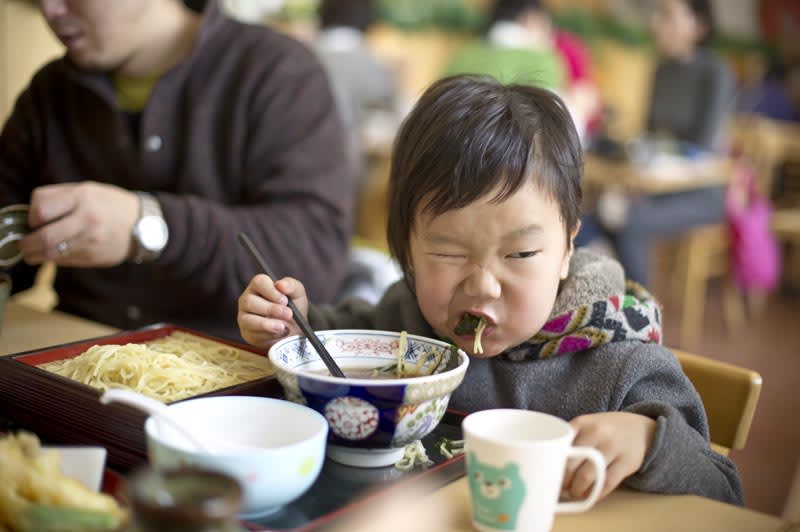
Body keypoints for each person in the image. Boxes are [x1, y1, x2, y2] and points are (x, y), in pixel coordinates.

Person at [237, 74, 743, 505]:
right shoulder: (405, 321)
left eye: (520, 254)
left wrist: (649, 441)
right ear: (407, 248)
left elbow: (725, 490)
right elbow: (339, 343)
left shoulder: (620, 364)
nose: (482, 285)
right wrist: (292, 325)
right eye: (449, 254)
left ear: (567, 247)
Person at [0, 0, 354, 340]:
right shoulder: (50, 91)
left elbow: (311, 259)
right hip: (74, 357)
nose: (50, 9)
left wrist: (153, 225)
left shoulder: (278, 71)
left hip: (233, 365)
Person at [579, 0, 736, 286]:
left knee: (628, 221)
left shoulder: (716, 72)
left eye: (667, 15)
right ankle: (608, 299)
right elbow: (652, 134)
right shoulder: (662, 70)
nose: (655, 23)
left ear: (698, 26)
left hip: (700, 193)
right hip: (656, 187)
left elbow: (701, 144)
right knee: (595, 213)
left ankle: (645, 309)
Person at [443, 0, 601, 142]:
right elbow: (559, 130)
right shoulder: (541, 58)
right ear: (531, 18)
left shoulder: (464, 53)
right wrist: (577, 107)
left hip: (450, 146)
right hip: (505, 157)